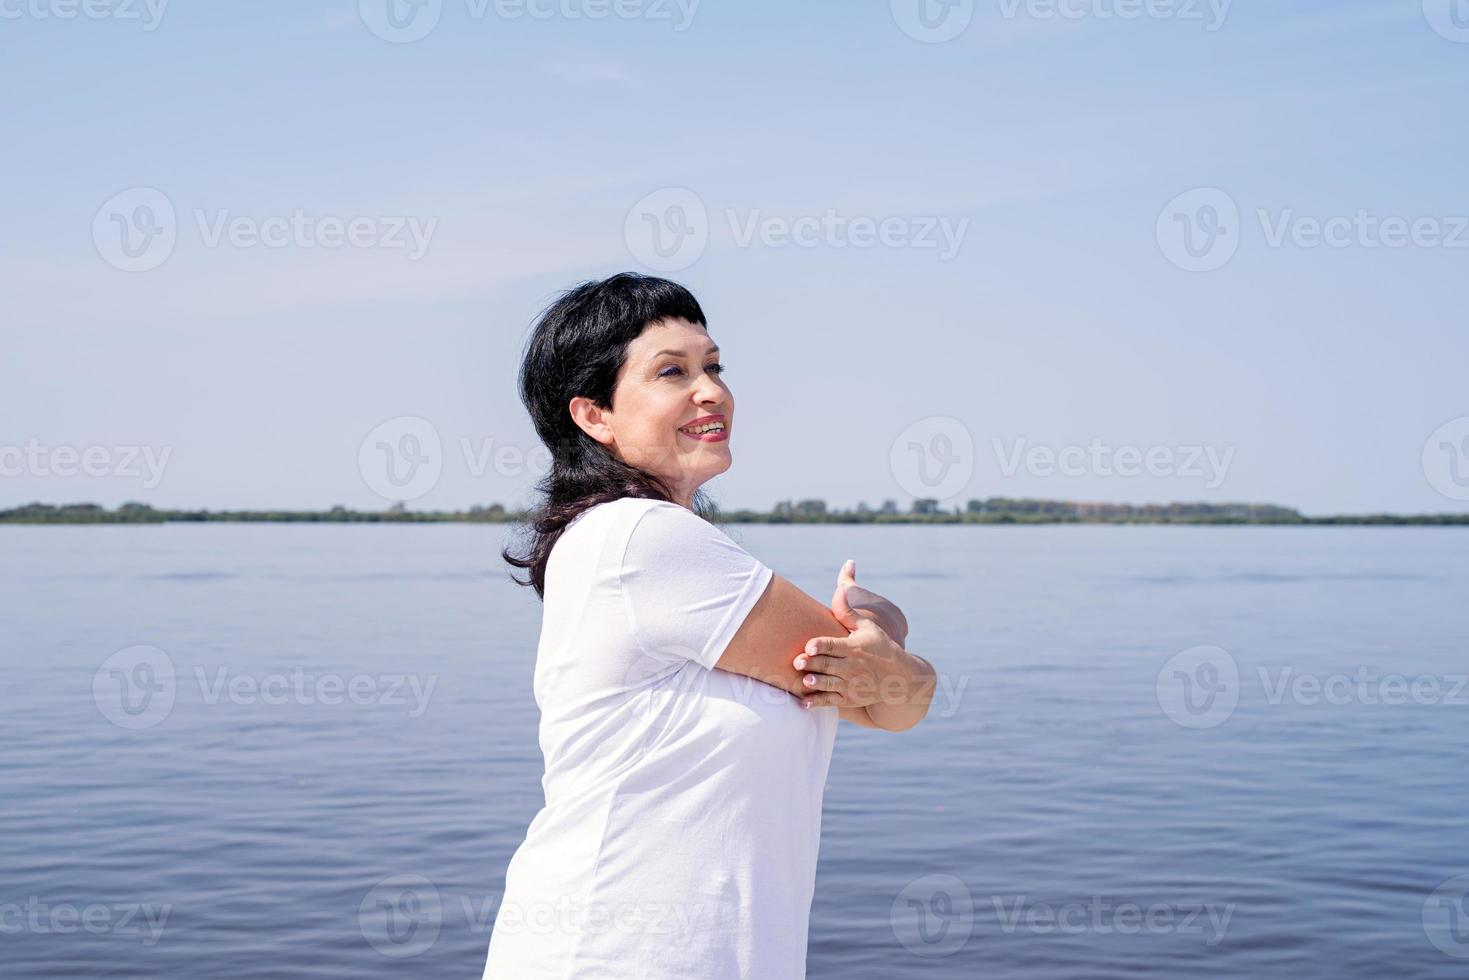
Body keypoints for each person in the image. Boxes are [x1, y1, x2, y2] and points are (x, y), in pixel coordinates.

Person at [487, 272, 936, 979]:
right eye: (671, 372)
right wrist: (894, 629)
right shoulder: (639, 538)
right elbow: (888, 690)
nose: (711, 391)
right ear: (593, 416)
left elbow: (892, 704)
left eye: (713, 367)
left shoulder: (668, 548)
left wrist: (889, 662)